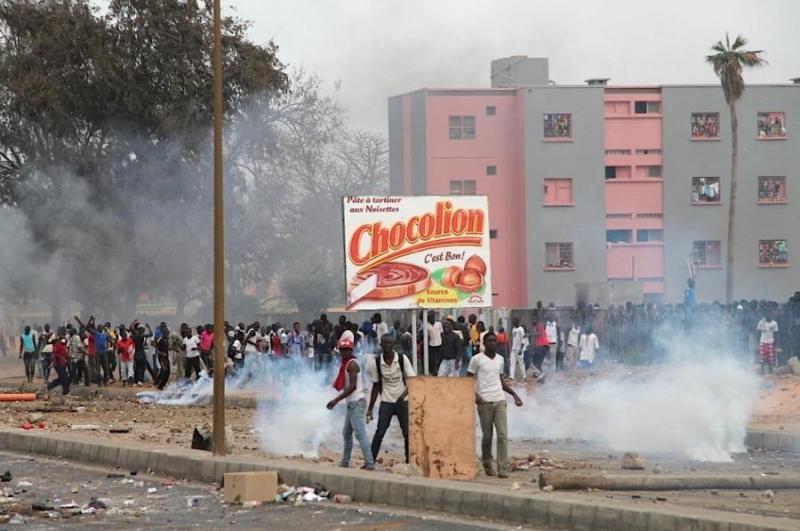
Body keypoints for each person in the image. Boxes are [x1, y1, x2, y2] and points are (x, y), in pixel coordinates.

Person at [467, 332, 523, 478]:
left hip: (499, 399)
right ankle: (487, 463)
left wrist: (514, 395)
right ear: (484, 343)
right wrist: (475, 396)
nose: (493, 343)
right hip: (484, 401)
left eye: (494, 341)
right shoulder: (476, 359)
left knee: (503, 435)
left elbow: (500, 380)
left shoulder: (500, 360)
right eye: (489, 341)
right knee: (487, 436)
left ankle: (502, 468)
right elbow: (467, 381)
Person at [326, 338, 375, 471]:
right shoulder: (347, 364)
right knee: (347, 433)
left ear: (350, 350)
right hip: (352, 403)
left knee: (360, 434)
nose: (343, 353)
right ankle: (345, 462)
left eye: (345, 350)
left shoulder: (351, 364)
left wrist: (336, 400)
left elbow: (352, 386)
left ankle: (370, 463)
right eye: (341, 350)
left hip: (356, 403)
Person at [367, 334, 416, 463]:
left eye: (390, 343)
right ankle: (370, 461)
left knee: (407, 433)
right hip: (386, 402)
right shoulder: (377, 363)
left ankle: (409, 461)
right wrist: (370, 409)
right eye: (385, 344)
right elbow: (376, 386)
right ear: (381, 346)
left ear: (394, 345)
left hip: (402, 402)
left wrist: (403, 396)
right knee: (380, 432)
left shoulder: (402, 359)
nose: (387, 346)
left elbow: (413, 381)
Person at [46, 327, 70, 395]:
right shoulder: (56, 341)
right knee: (64, 376)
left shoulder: (64, 341)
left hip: (63, 362)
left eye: (63, 332)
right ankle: (65, 390)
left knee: (62, 377)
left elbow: (65, 351)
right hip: (58, 363)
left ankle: (50, 386)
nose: (63, 334)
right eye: (62, 332)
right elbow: (55, 353)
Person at [154, 324, 171, 389]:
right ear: (163, 333)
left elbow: (167, 348)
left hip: (166, 358)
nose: (167, 334)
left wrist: (174, 349)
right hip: (161, 358)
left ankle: (161, 385)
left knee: (168, 372)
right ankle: (159, 384)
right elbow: (156, 348)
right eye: (166, 333)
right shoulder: (160, 340)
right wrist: (161, 353)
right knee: (164, 370)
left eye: (168, 333)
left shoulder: (167, 339)